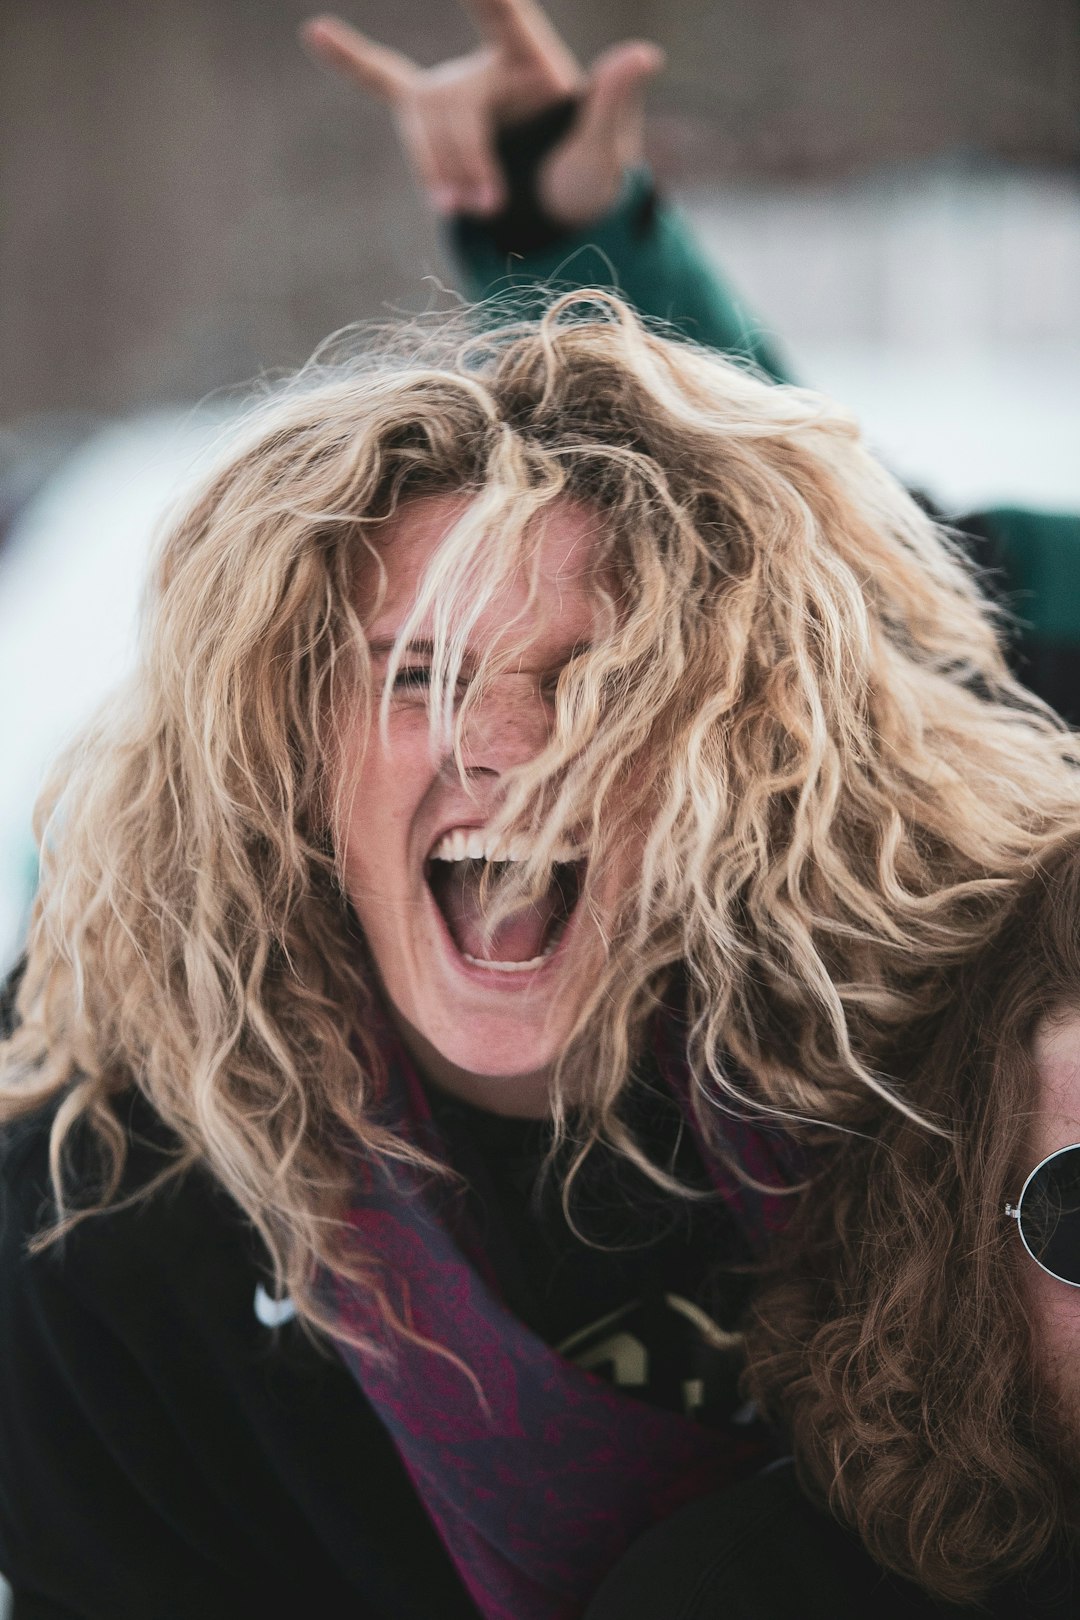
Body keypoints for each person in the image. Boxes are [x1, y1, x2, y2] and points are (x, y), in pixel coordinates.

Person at [1, 9, 1079, 1620]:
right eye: (419, 675)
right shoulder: (99, 1212)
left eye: (597, 681)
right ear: (283, 744)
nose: (508, 748)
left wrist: (577, 248)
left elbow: (905, 601)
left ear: (740, 740)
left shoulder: (961, 1007)